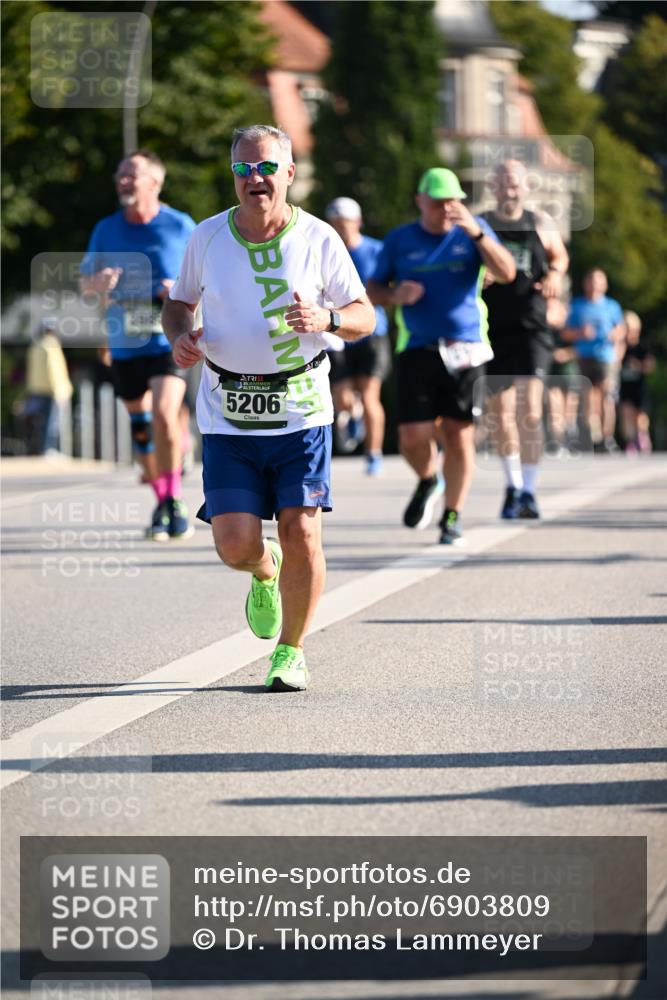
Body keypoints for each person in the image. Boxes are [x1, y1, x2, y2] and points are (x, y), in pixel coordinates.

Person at [162, 125, 374, 692]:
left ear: (289, 173)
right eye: (243, 168)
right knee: (234, 545)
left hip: (301, 409)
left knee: (302, 531)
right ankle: (263, 568)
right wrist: (179, 338)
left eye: (265, 168)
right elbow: (179, 304)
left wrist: (328, 319)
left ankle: (291, 651)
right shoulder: (208, 237)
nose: (254, 178)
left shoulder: (319, 238)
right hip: (228, 411)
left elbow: (365, 315)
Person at [367, 167, 515, 544]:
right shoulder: (400, 239)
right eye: (437, 202)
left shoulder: (473, 231)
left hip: (466, 347)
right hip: (416, 346)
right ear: (420, 201)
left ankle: (452, 515)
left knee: (458, 434)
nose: (446, 209)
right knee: (412, 436)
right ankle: (428, 479)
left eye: (453, 201)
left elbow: (507, 272)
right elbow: (371, 290)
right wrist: (395, 295)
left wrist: (477, 232)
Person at [80, 150, 196, 539]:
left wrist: (177, 290)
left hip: (169, 339)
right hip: (125, 342)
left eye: (132, 174)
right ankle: (163, 499)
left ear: (155, 183)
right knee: (142, 428)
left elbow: (209, 277)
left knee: (164, 414)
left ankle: (174, 499)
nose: (124, 181)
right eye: (121, 175)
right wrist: (97, 283)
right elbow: (85, 283)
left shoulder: (181, 226)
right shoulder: (106, 229)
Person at [481, 160, 570, 519]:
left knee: (530, 412)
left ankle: (530, 492)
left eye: (515, 182)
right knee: (500, 415)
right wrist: (477, 276)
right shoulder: (481, 225)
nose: (510, 188)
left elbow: (559, 256)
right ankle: (513, 486)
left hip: (532, 326)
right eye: (503, 181)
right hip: (492, 328)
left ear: (525, 186)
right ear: (493, 186)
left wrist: (555, 274)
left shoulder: (540, 222)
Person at [324, 197, 391, 475]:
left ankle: (373, 454)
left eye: (346, 223)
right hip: (336, 333)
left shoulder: (376, 250)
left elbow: (388, 288)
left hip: (372, 333)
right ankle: (353, 414)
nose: (341, 229)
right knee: (341, 396)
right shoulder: (324, 250)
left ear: (358, 222)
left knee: (370, 395)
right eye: (335, 224)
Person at [563, 269, 625, 454]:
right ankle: (591, 436)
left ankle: (607, 438)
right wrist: (580, 333)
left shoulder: (612, 306)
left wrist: (615, 335)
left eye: (598, 281)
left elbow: (622, 329)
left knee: (607, 396)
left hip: (606, 356)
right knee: (588, 399)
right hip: (583, 356)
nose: (594, 285)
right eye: (591, 280)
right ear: (585, 284)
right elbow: (565, 333)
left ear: (604, 285)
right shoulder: (577, 305)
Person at [24, 319, 73, 455]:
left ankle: (39, 449)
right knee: (52, 423)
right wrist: (60, 391)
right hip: (52, 390)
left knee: (38, 422)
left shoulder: (35, 346)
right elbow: (54, 370)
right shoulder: (52, 345)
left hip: (36, 389)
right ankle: (48, 449)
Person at [546, 297, 581, 457]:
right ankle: (557, 440)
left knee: (569, 408)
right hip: (552, 371)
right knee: (555, 406)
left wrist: (565, 354)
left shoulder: (571, 329)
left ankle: (570, 438)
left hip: (569, 371)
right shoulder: (545, 330)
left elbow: (581, 348)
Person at [619, 310, 655, 454]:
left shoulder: (642, 346)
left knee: (640, 415)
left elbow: (650, 366)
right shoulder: (620, 347)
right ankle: (630, 441)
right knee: (626, 413)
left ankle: (642, 436)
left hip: (639, 386)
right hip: (624, 386)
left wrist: (638, 366)